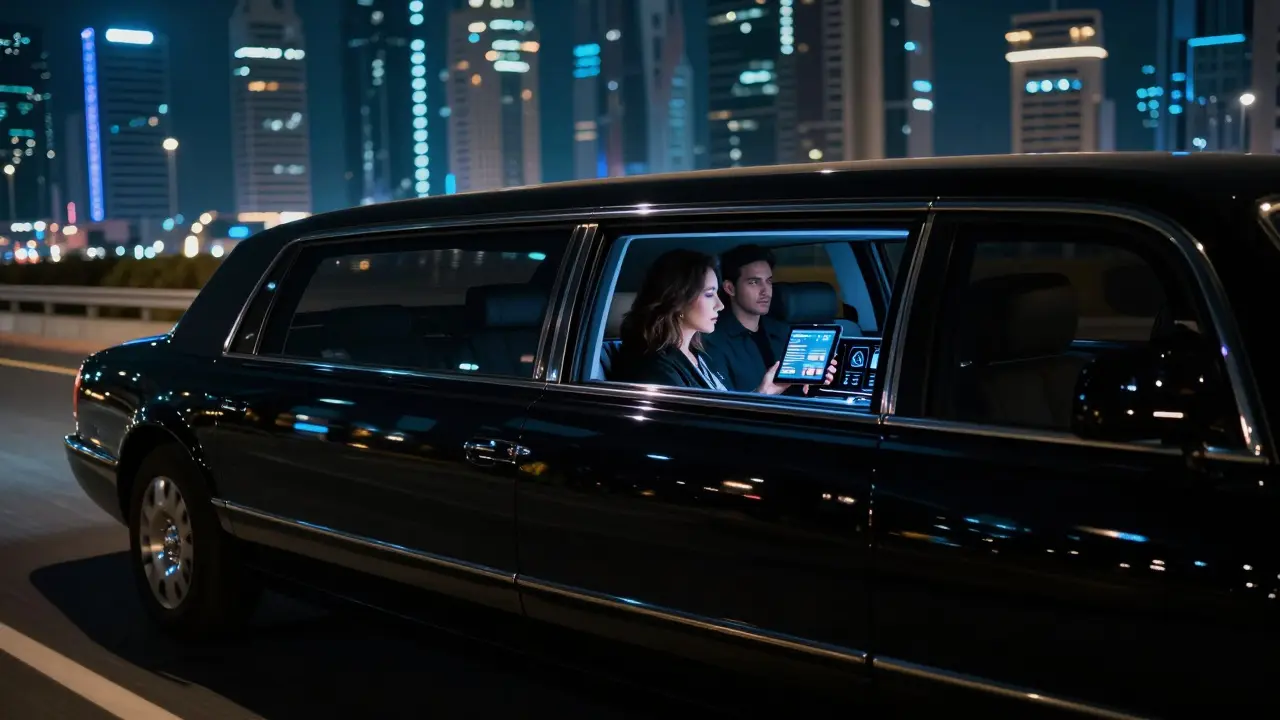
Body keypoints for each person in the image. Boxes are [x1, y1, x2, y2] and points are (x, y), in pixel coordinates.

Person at [615, 249, 830, 394]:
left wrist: (765, 392)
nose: (720, 305)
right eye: (709, 294)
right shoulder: (654, 369)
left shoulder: (695, 353)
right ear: (678, 299)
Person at [701, 244, 791, 392]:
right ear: (730, 288)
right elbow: (725, 406)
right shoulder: (713, 342)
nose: (765, 291)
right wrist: (762, 394)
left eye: (768, 281)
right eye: (754, 282)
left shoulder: (783, 332)